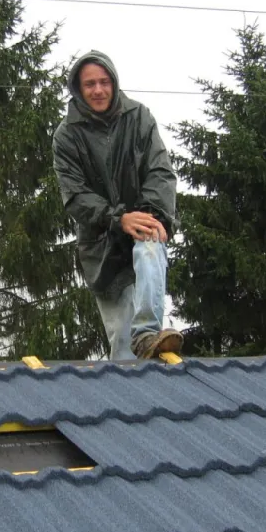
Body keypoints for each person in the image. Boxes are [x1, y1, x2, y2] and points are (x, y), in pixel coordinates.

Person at [53, 51, 183, 361]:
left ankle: (148, 334)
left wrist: (149, 218)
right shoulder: (66, 136)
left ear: (114, 82)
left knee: (150, 242)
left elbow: (160, 172)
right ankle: (128, 392)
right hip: (101, 248)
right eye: (89, 84)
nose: (98, 90)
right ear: (78, 89)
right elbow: (75, 196)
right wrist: (119, 218)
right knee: (123, 344)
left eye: (104, 82)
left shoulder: (139, 118)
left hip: (142, 223)